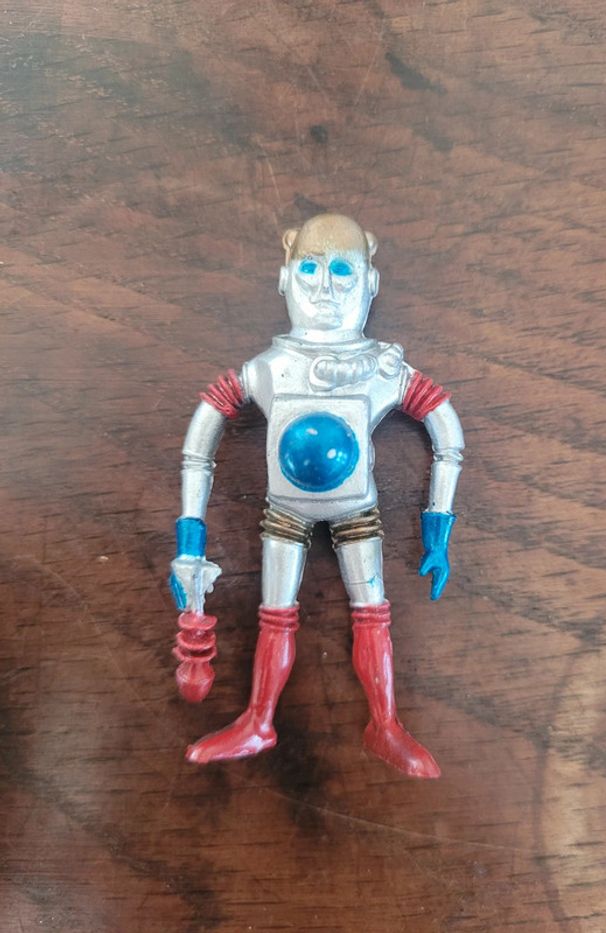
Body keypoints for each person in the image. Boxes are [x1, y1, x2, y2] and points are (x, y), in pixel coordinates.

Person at [170, 213, 464, 778]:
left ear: (370, 282)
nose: (325, 288)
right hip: (285, 510)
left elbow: (445, 431)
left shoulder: (382, 369)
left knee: (372, 612)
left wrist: (438, 529)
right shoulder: (268, 370)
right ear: (285, 277)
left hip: (357, 510)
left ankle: (385, 723)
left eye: (342, 271)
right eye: (310, 269)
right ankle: (259, 721)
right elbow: (199, 443)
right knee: (275, 614)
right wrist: (189, 536)